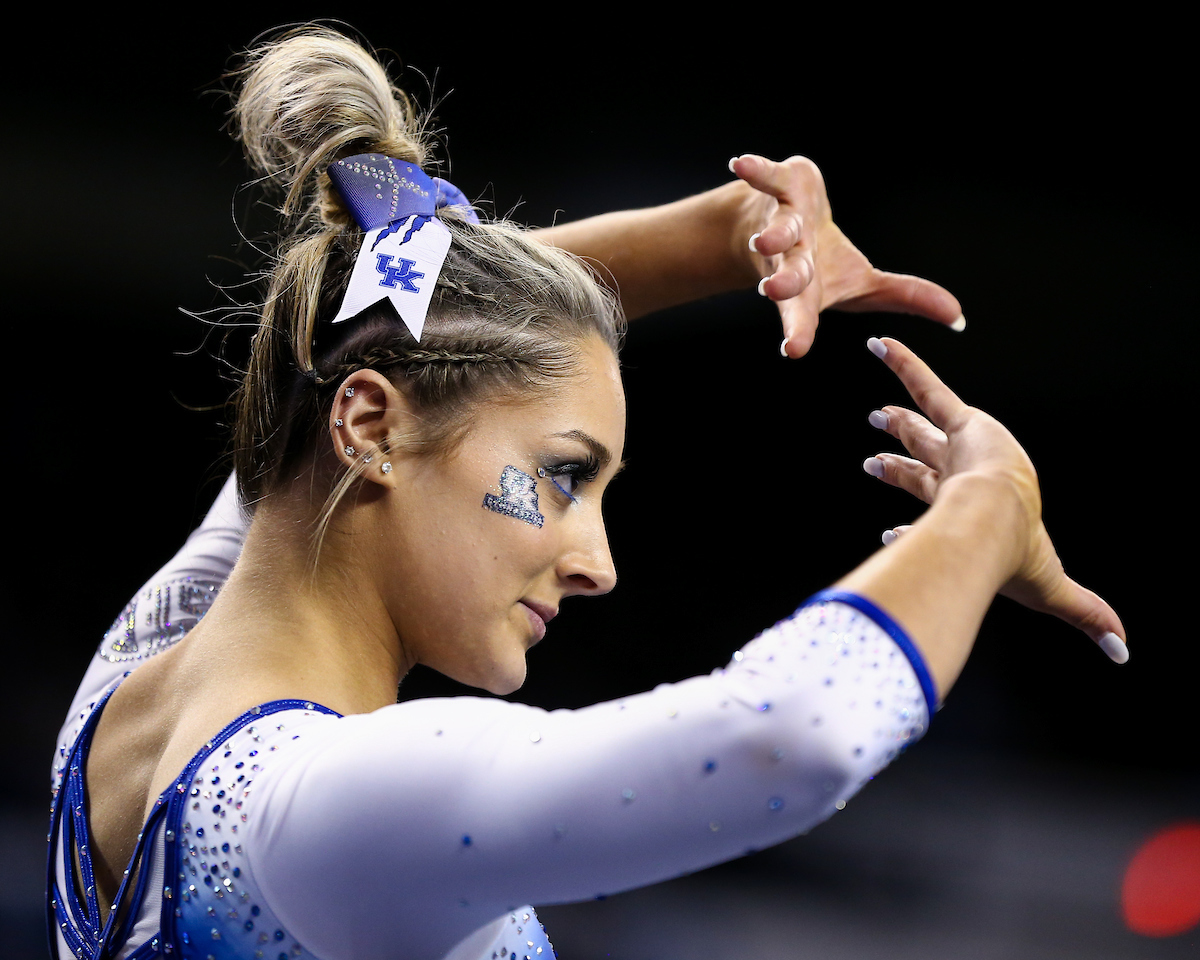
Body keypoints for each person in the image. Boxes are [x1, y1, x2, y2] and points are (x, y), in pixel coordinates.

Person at [47, 26, 1127, 960]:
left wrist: (713, 237)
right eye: (563, 478)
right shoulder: (323, 809)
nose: (598, 562)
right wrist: (990, 507)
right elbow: (788, 739)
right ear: (369, 430)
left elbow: (368, 357)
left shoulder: (136, 681)